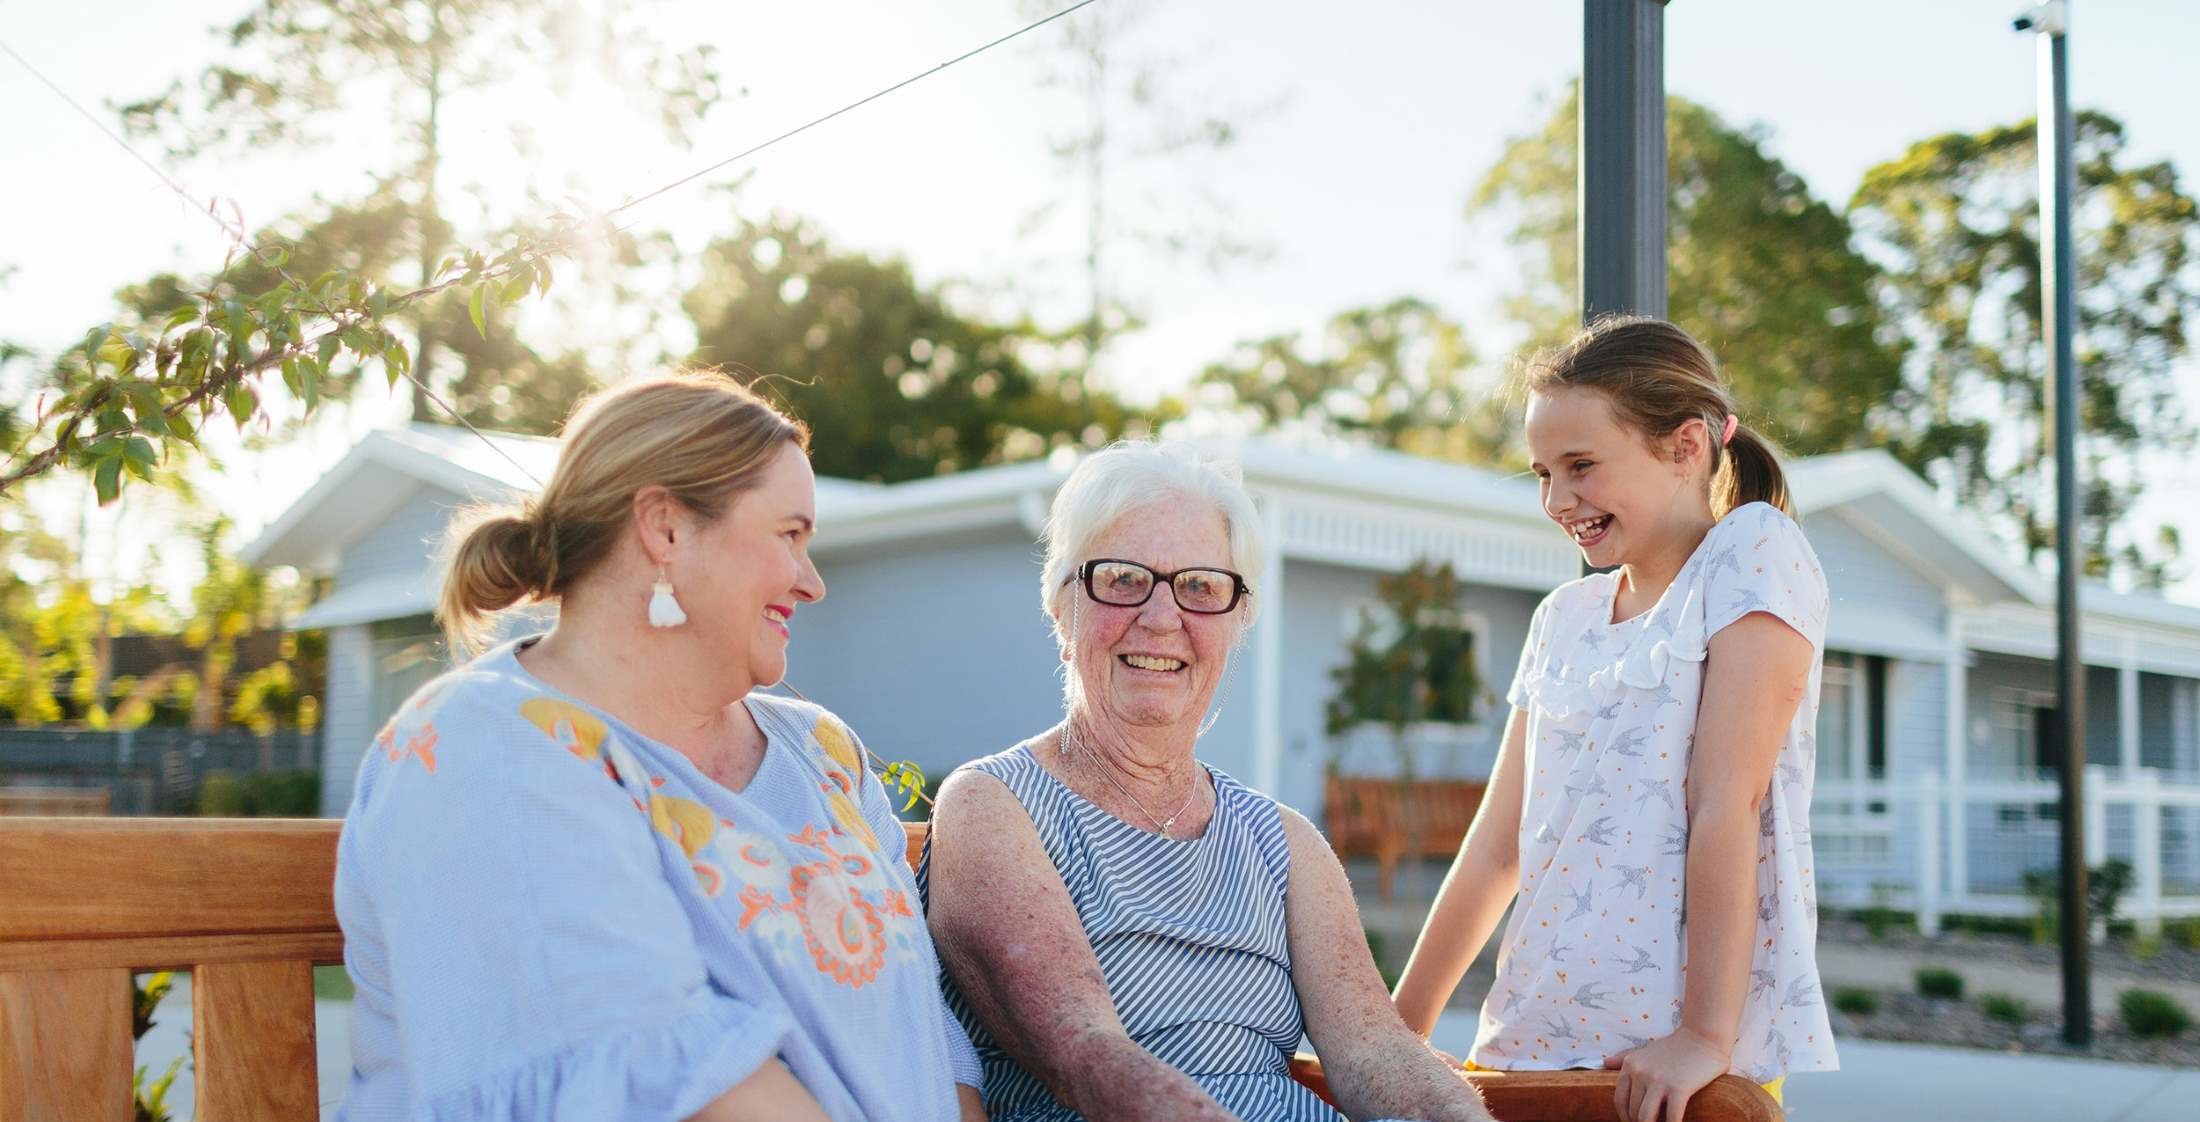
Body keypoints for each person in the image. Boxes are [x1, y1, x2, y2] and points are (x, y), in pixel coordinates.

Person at [334, 372, 985, 1122]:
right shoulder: (481, 746)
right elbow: (667, 1083)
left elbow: (927, 1036)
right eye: (790, 535)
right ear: (666, 528)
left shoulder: (822, 752)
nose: (812, 583)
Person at [920, 441, 1494, 1122]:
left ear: (1236, 622)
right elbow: (1090, 1060)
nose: (1162, 619)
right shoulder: (994, 806)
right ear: (1060, 606)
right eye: (1123, 578)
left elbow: (1377, 1052)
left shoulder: (1283, 843)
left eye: (1200, 587)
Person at [1391, 316, 1839, 1122]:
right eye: (1541, 473)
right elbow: (1497, 846)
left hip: (1671, 1066)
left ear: (1686, 445)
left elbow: (1724, 804)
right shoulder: (1565, 616)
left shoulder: (1752, 554)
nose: (1558, 500)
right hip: (1531, 1045)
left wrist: (1703, 1035)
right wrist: (1394, 1033)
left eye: (1582, 466)